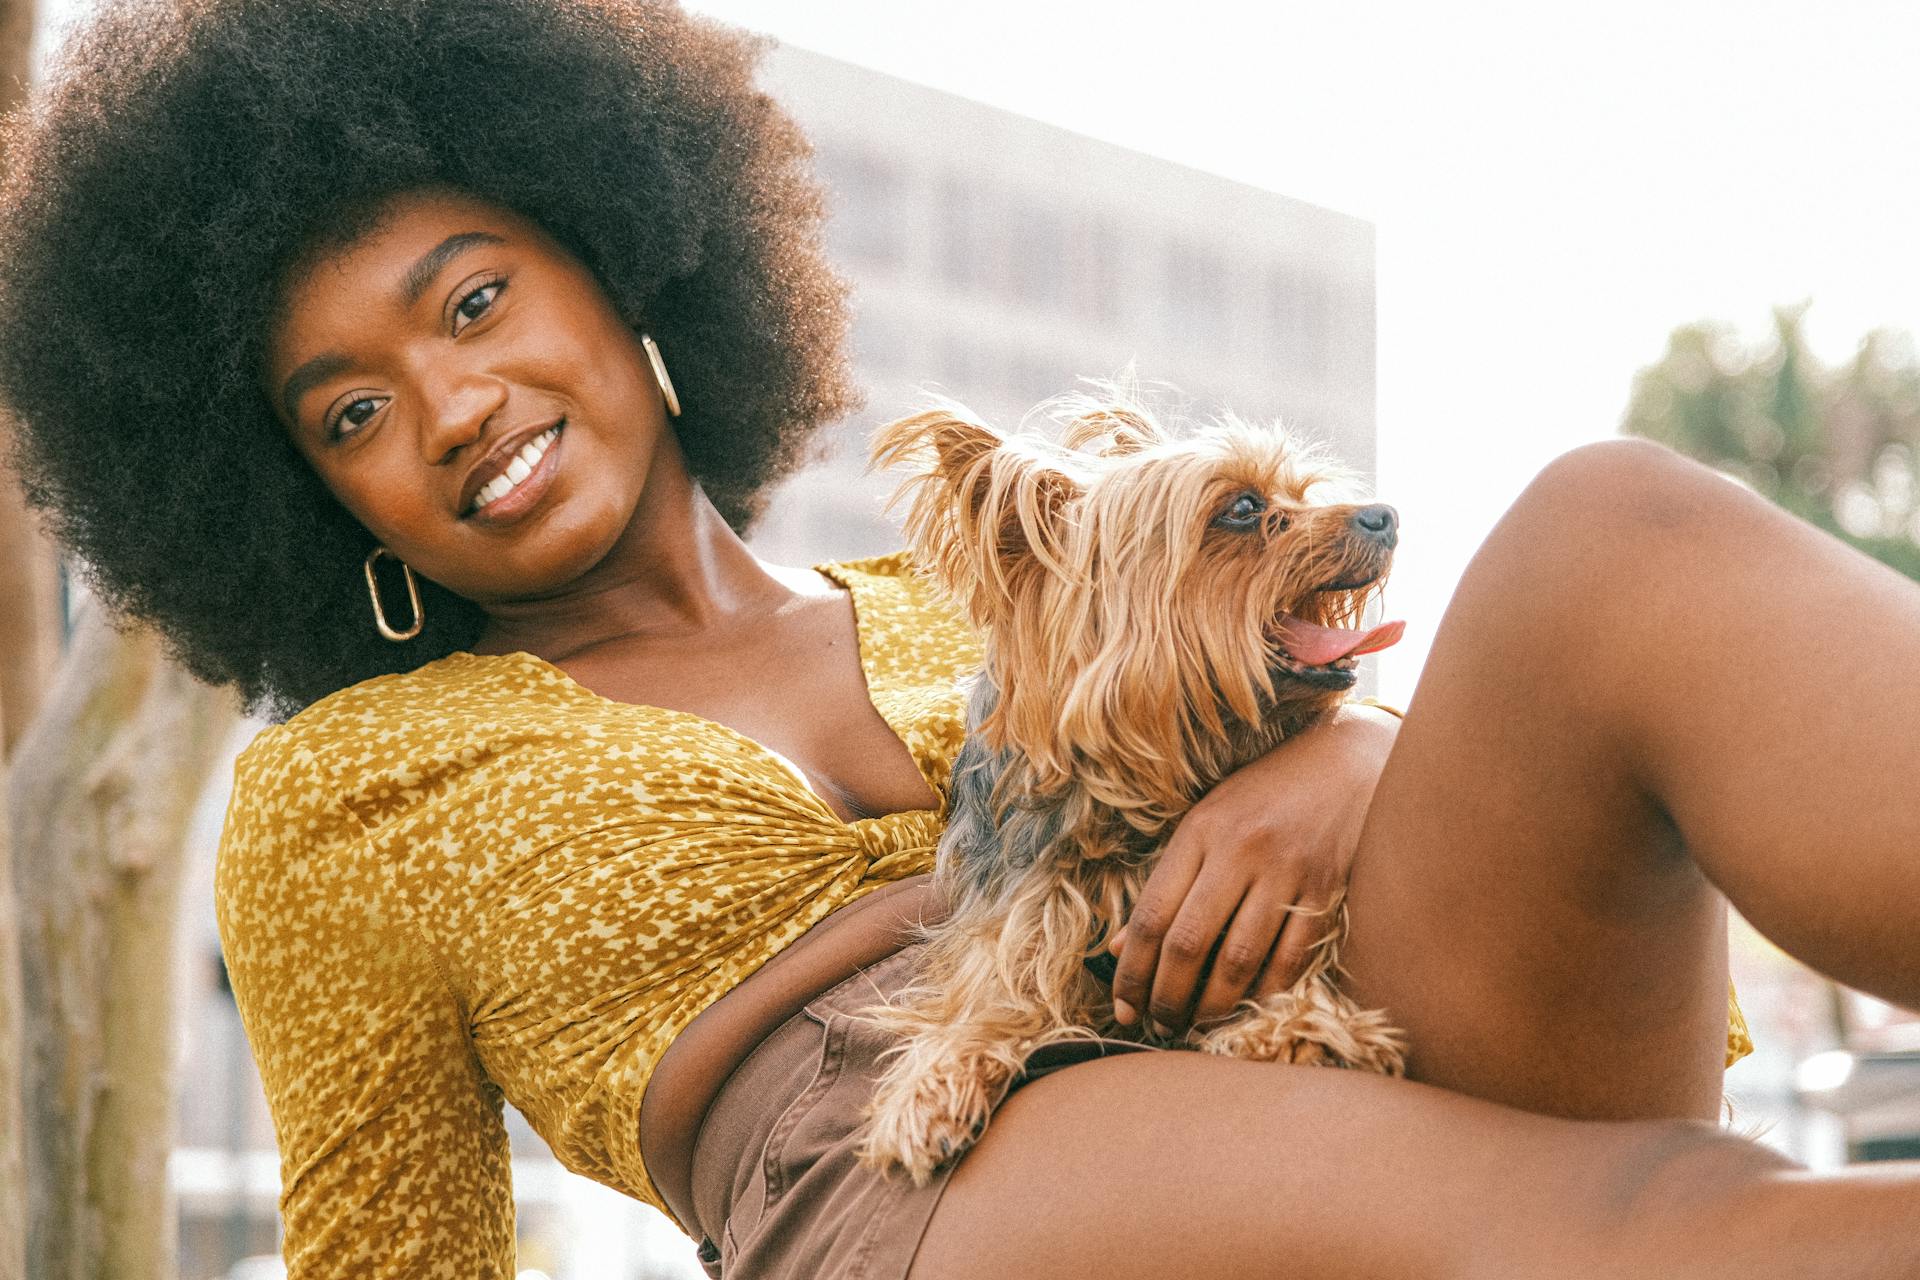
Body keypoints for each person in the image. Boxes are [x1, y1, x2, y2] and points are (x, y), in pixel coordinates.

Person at [0, 2, 1914, 1278]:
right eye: (348, 412)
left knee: (1609, 525)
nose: (449, 404)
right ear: (313, 503)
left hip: (1301, 1012)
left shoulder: (979, 591)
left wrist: (1355, 755)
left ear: (626, 259)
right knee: (1656, 1220)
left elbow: (1507, 856)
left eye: (477, 299)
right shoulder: (346, 792)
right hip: (902, 1165)